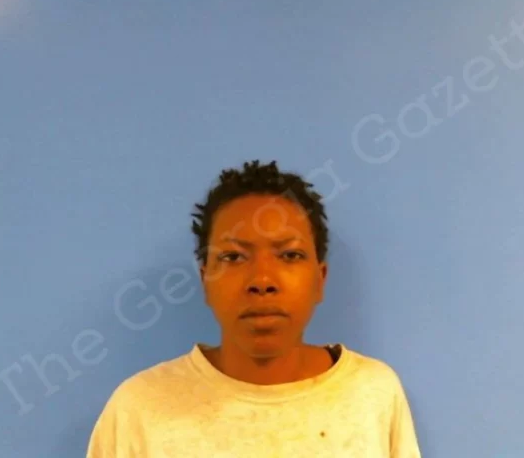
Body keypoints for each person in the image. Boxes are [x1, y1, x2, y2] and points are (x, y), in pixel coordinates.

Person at [86, 160, 422, 457]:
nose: (262, 280)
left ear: (319, 280)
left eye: (289, 255)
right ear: (206, 281)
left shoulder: (371, 394)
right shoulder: (140, 409)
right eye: (233, 257)